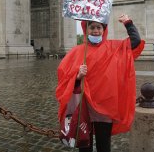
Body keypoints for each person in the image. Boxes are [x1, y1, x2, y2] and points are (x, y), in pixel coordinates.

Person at [56, 14, 145, 152]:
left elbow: (135, 41)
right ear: (86, 30)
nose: (96, 31)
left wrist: (128, 22)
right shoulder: (77, 51)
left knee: (104, 145)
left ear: (104, 30)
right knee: (85, 145)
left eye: (99, 27)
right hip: (84, 107)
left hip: (105, 107)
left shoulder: (114, 47)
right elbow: (64, 77)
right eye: (92, 27)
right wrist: (77, 76)